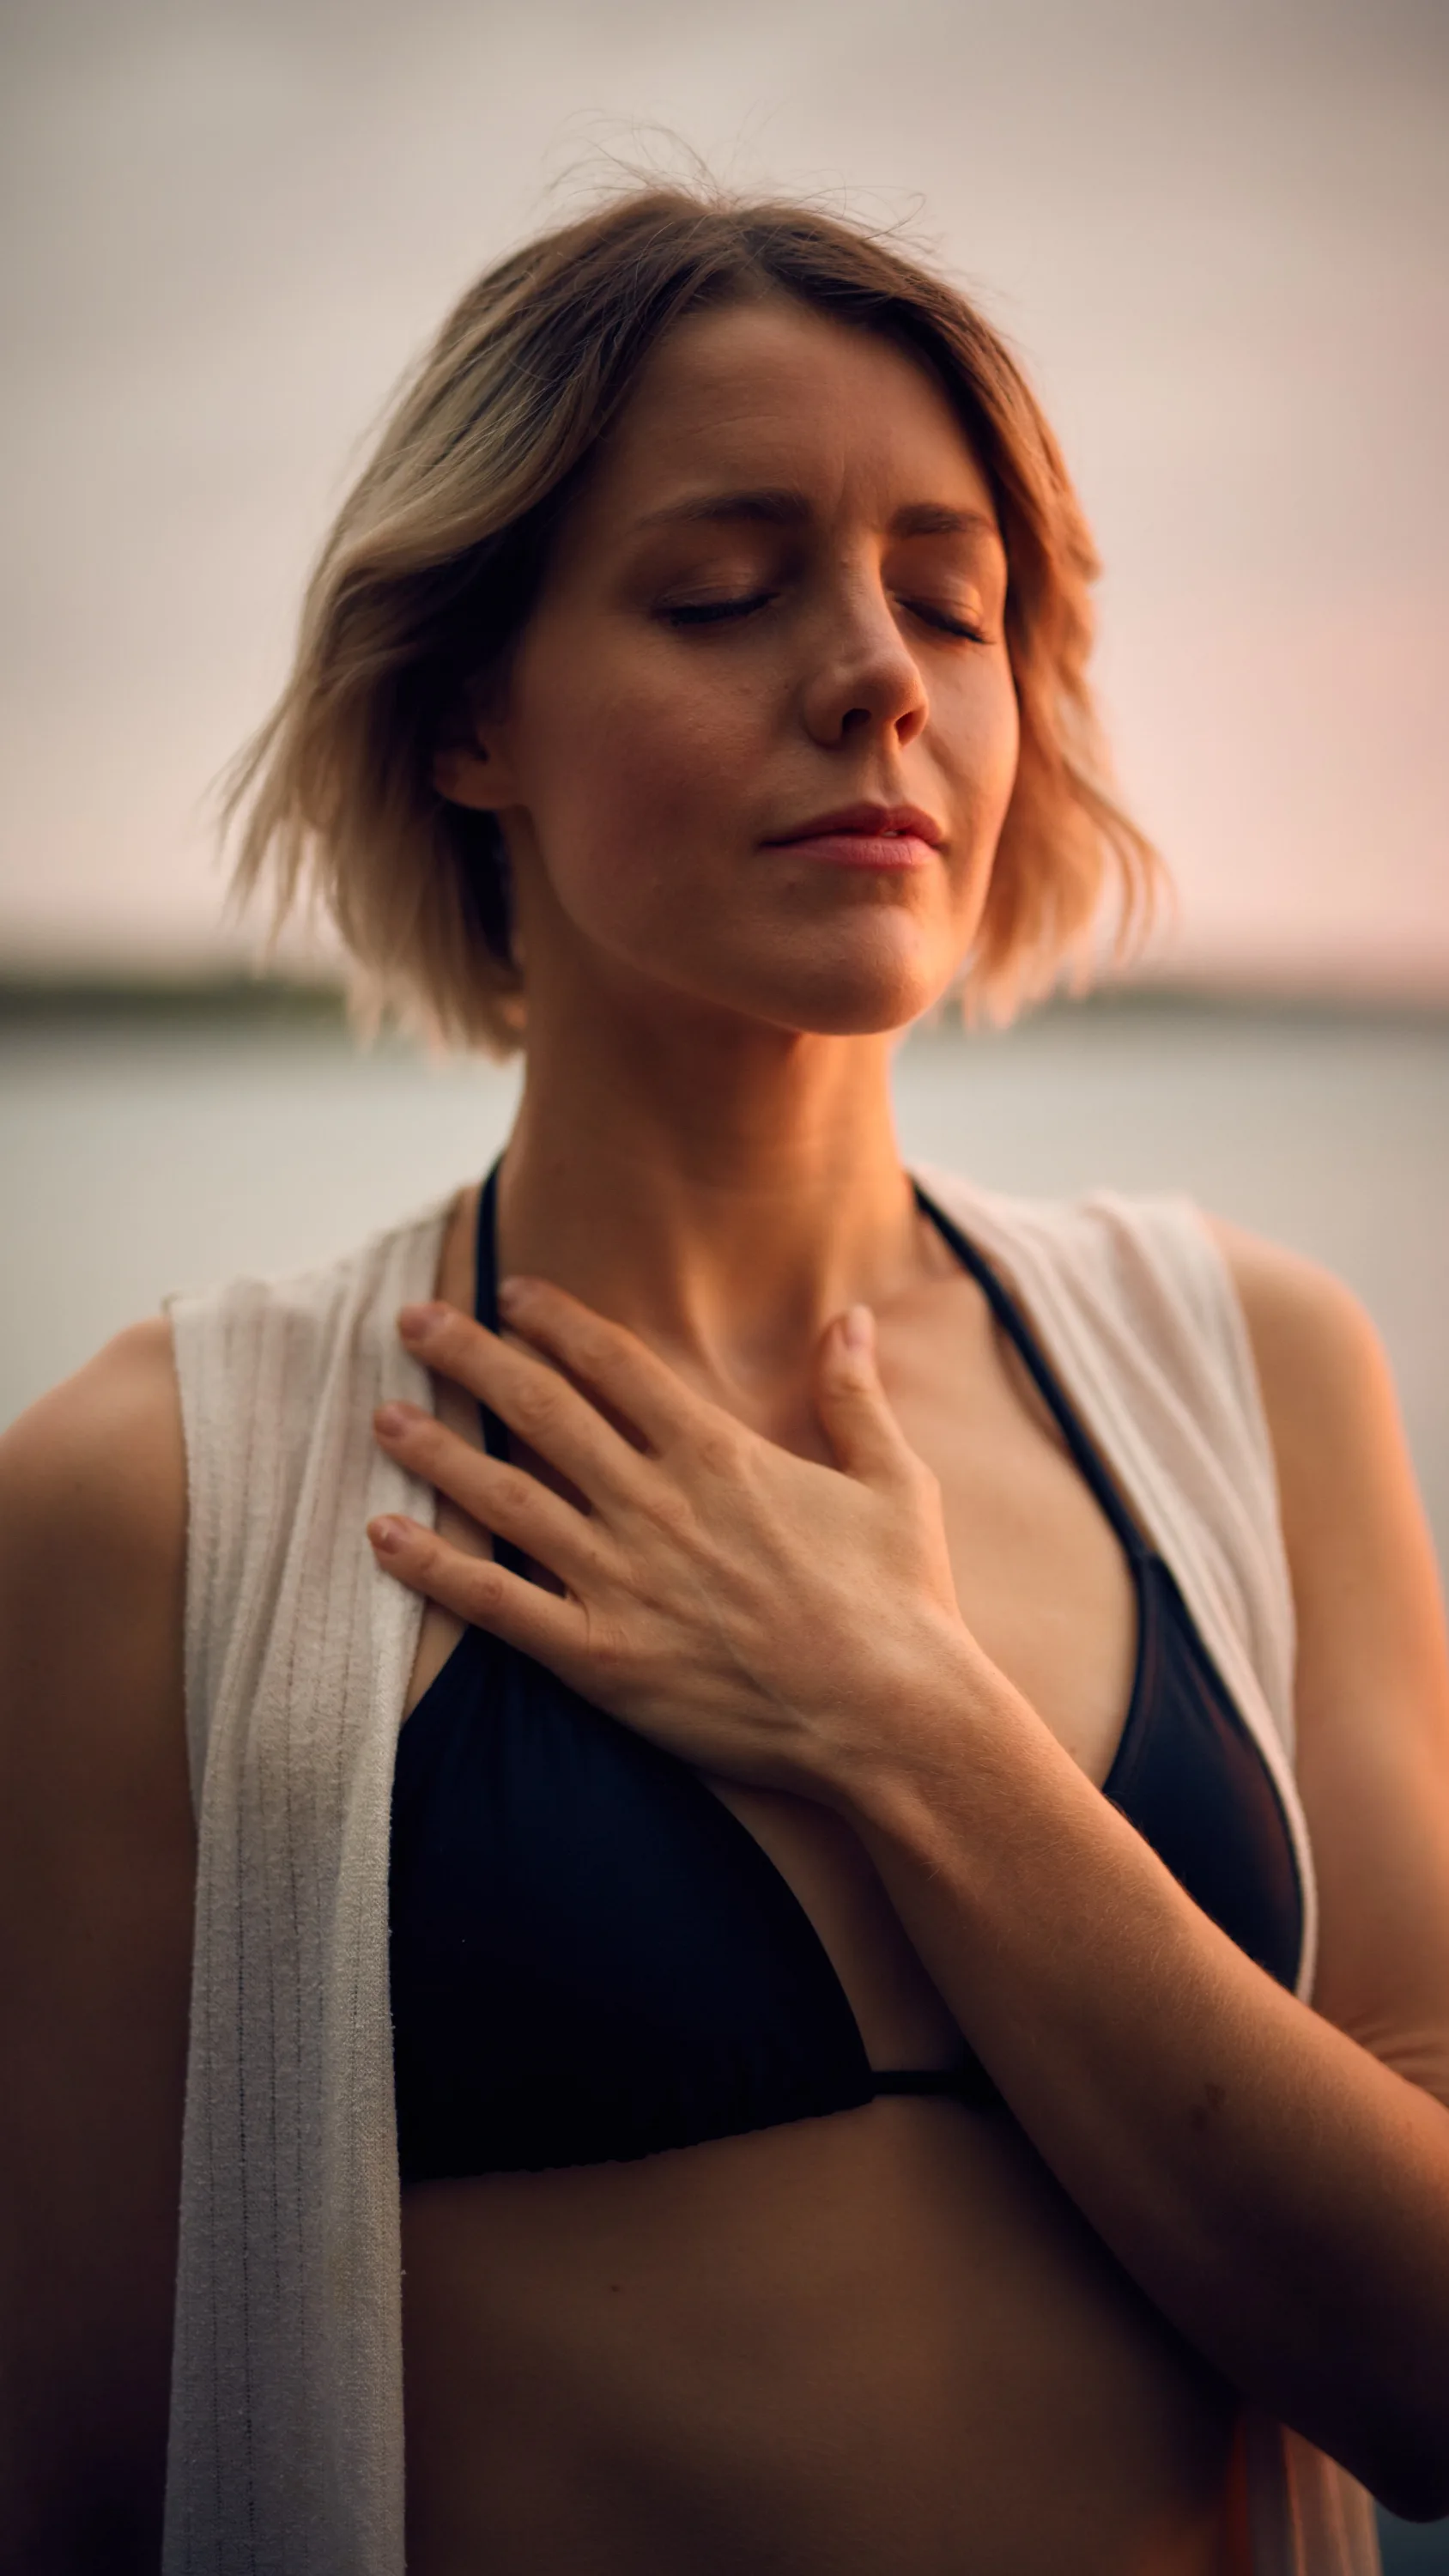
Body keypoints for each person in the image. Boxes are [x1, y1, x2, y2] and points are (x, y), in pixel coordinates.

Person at [3, 185, 1447, 2576]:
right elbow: (74, 2492)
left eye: (952, 602)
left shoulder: (1254, 1378)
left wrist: (912, 1721)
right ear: (471, 712)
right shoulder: (149, 1506)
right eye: (723, 588)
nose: (882, 673)